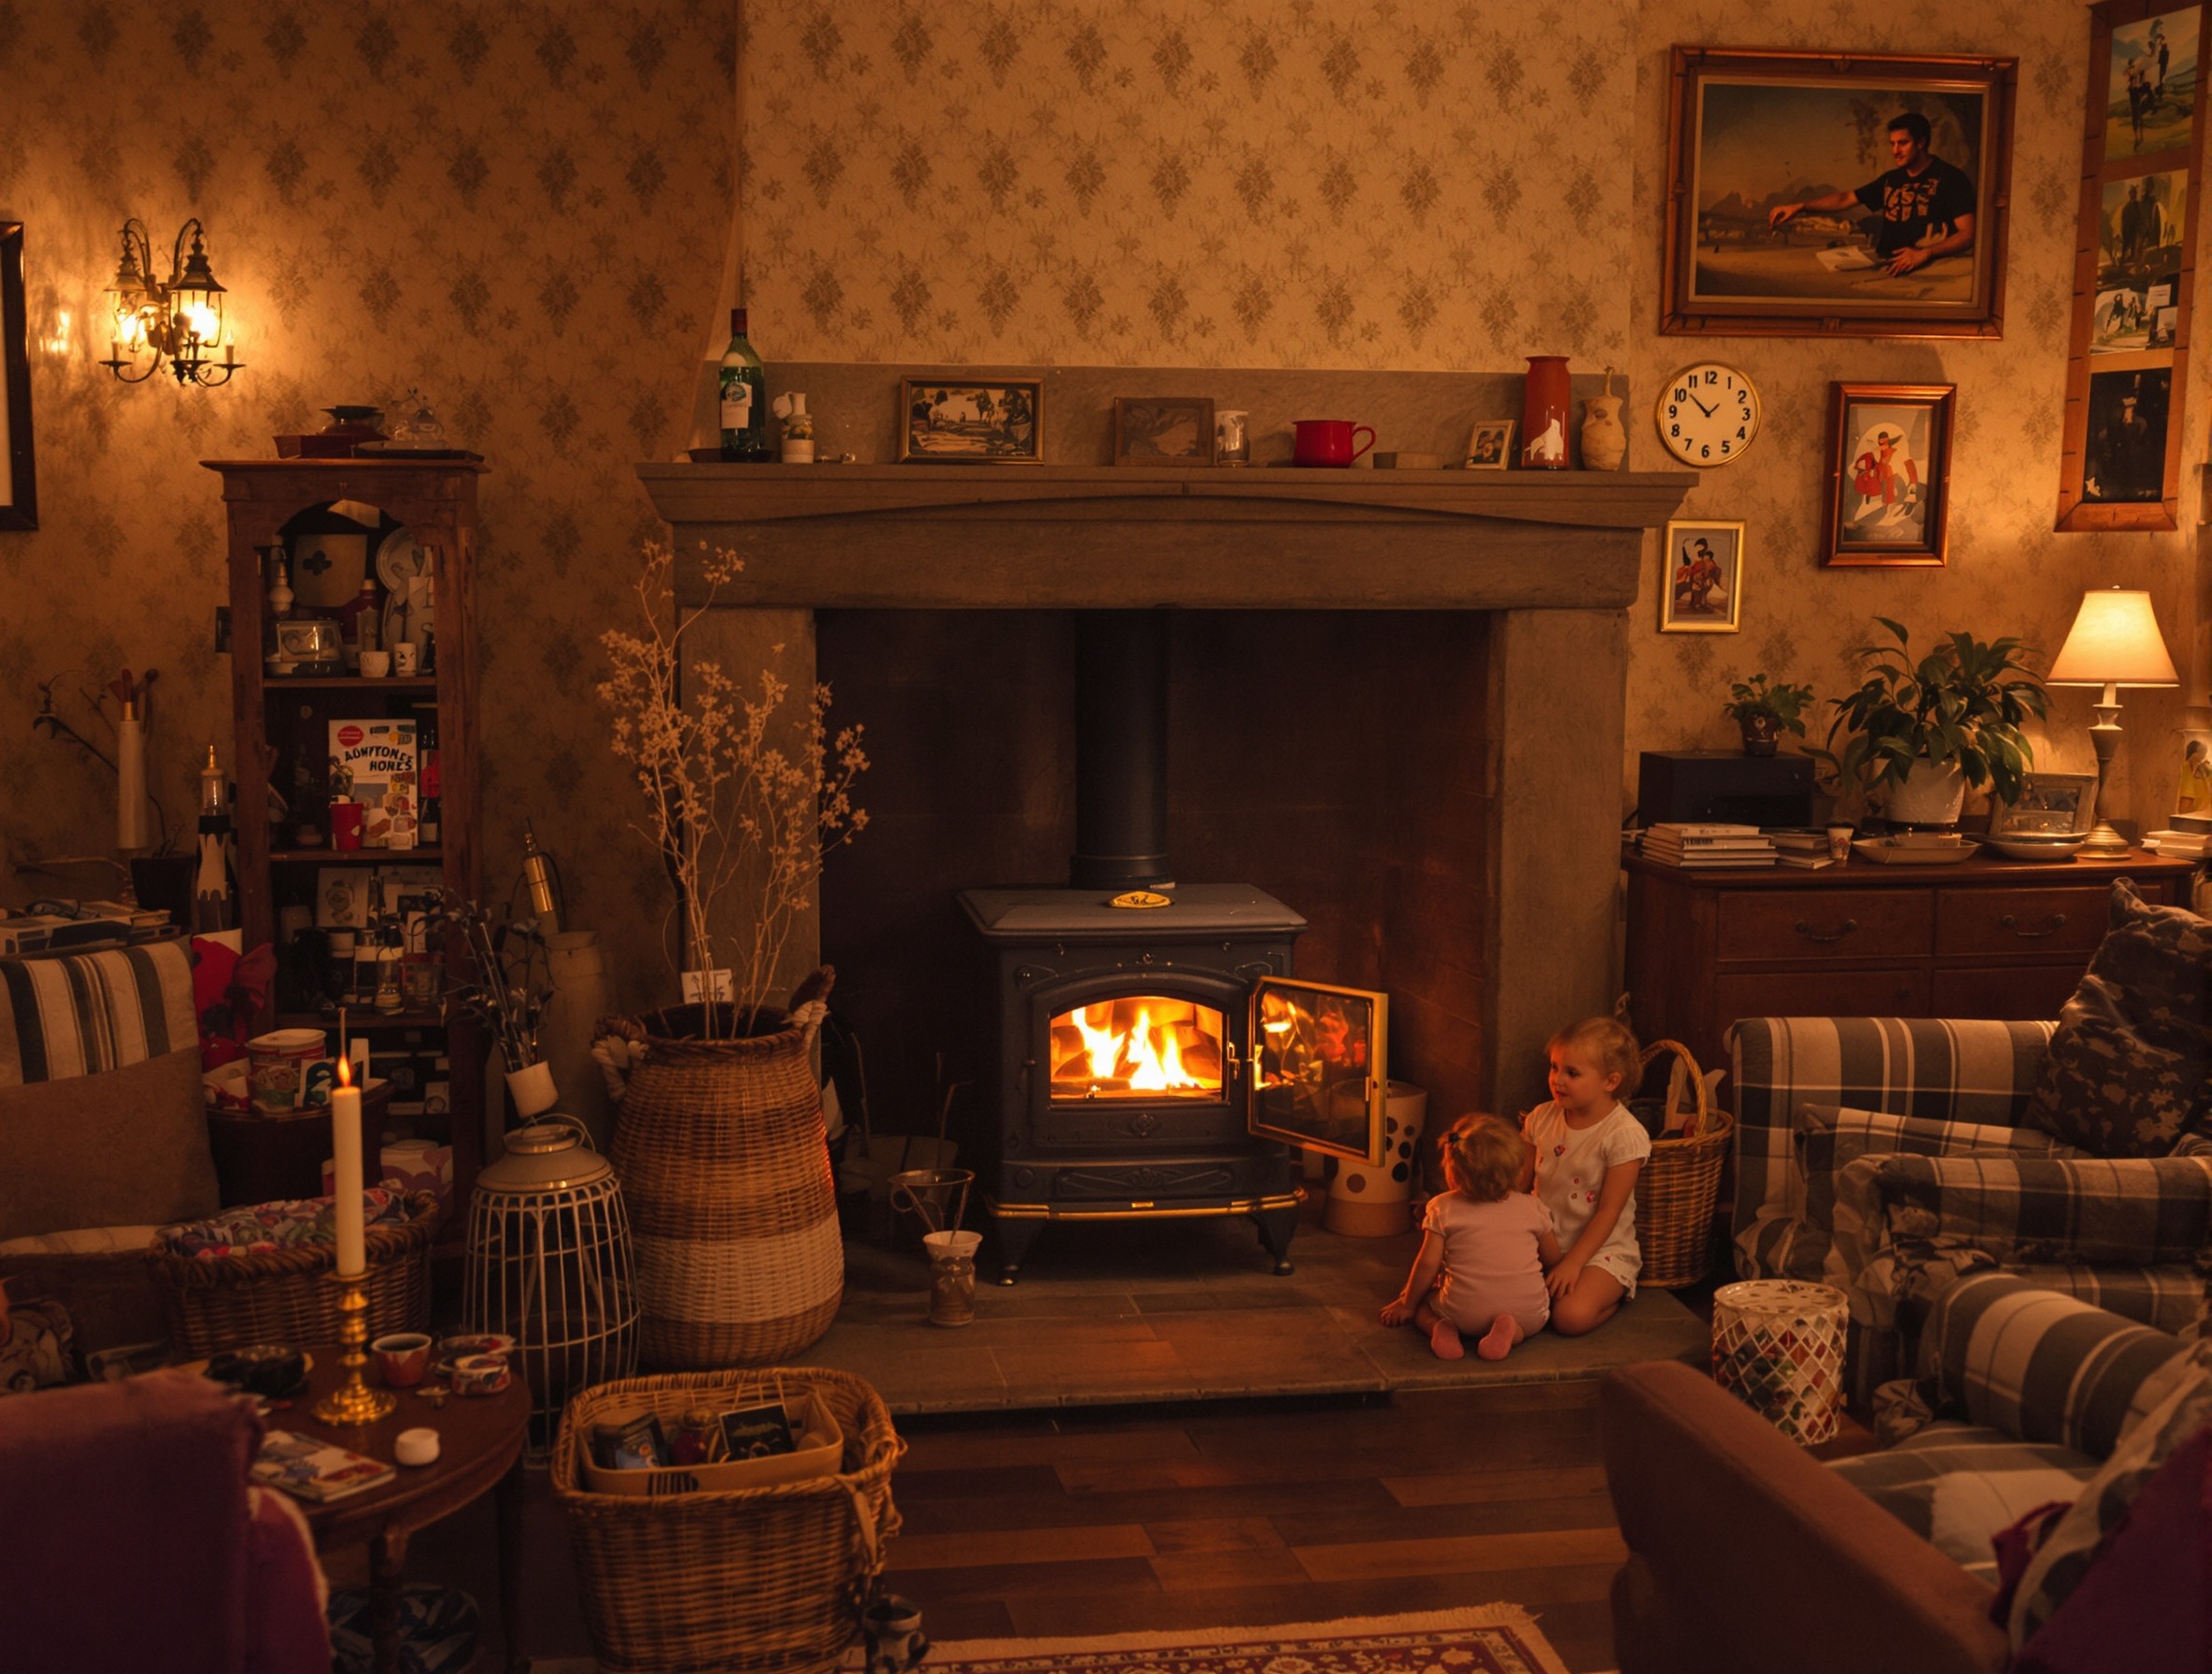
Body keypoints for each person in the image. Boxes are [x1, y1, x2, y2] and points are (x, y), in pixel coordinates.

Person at [1381, 1114, 1560, 1361]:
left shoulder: (1442, 1207)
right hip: (1527, 1310)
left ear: (1452, 1172)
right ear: (1519, 1171)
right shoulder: (1533, 1207)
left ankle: (1440, 1328)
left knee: (1425, 1306)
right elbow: (1552, 1256)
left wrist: (1407, 1303)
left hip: (1462, 1312)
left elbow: (1428, 1264)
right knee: (1525, 1323)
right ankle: (1511, 1331)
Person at [1522, 1015, 1651, 1336]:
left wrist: (1573, 1263)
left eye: (1572, 1073)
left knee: (1569, 1318)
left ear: (1610, 1081)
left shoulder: (1624, 1136)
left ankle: (1614, 1298)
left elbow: (1609, 1211)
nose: (1557, 1080)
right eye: (1554, 1067)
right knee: (1500, 1298)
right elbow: (1519, 1184)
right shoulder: (1541, 1117)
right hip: (1543, 1241)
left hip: (1600, 1251)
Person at [1768, 111, 1977, 277]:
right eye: (1892, 143)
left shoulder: (1951, 178)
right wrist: (1800, 206)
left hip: (1928, 268)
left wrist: (1926, 253)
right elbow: (1846, 198)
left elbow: (1968, 234)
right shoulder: (1891, 179)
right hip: (1887, 266)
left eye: (1902, 143)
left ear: (1921, 142)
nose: (1895, 150)